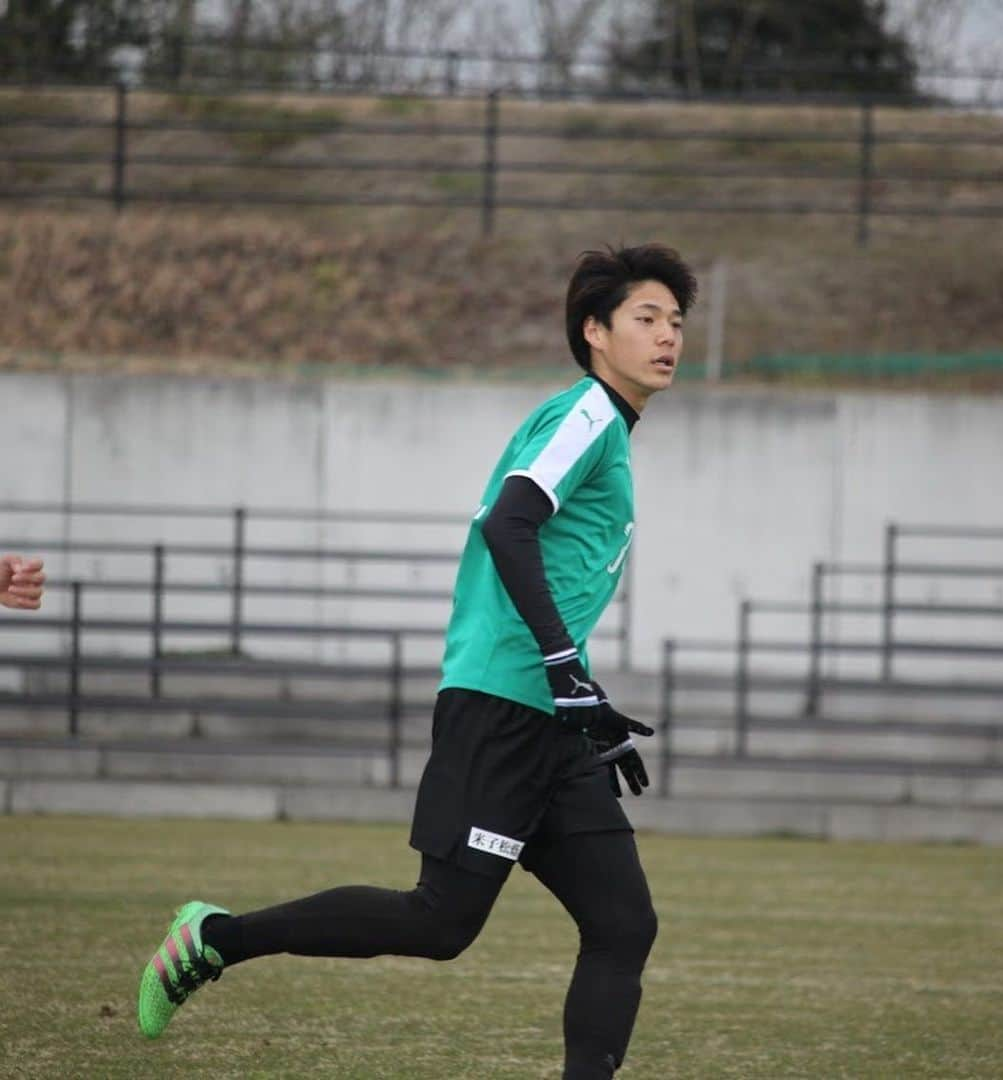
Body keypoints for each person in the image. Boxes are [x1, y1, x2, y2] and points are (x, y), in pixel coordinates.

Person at [137, 243, 697, 1079]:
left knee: (623, 924)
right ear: (594, 331)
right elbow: (507, 522)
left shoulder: (609, 429)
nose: (668, 337)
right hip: (505, 705)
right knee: (441, 923)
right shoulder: (586, 413)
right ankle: (214, 939)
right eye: (646, 318)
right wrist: (560, 666)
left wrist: (581, 687)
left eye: (677, 322)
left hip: (553, 717)